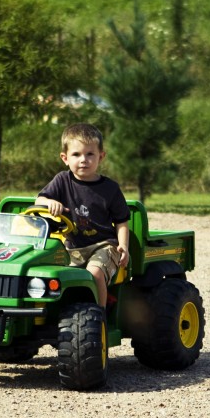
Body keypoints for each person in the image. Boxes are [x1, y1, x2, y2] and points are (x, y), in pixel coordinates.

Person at [35, 123, 130, 308]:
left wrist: (123, 246)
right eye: (76, 154)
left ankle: (99, 315)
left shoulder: (110, 188)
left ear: (101, 156)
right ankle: (53, 314)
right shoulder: (62, 180)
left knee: (94, 273)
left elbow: (121, 222)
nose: (83, 160)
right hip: (72, 248)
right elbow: (40, 200)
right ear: (65, 158)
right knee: (52, 276)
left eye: (90, 154)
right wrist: (50, 202)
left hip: (104, 246)